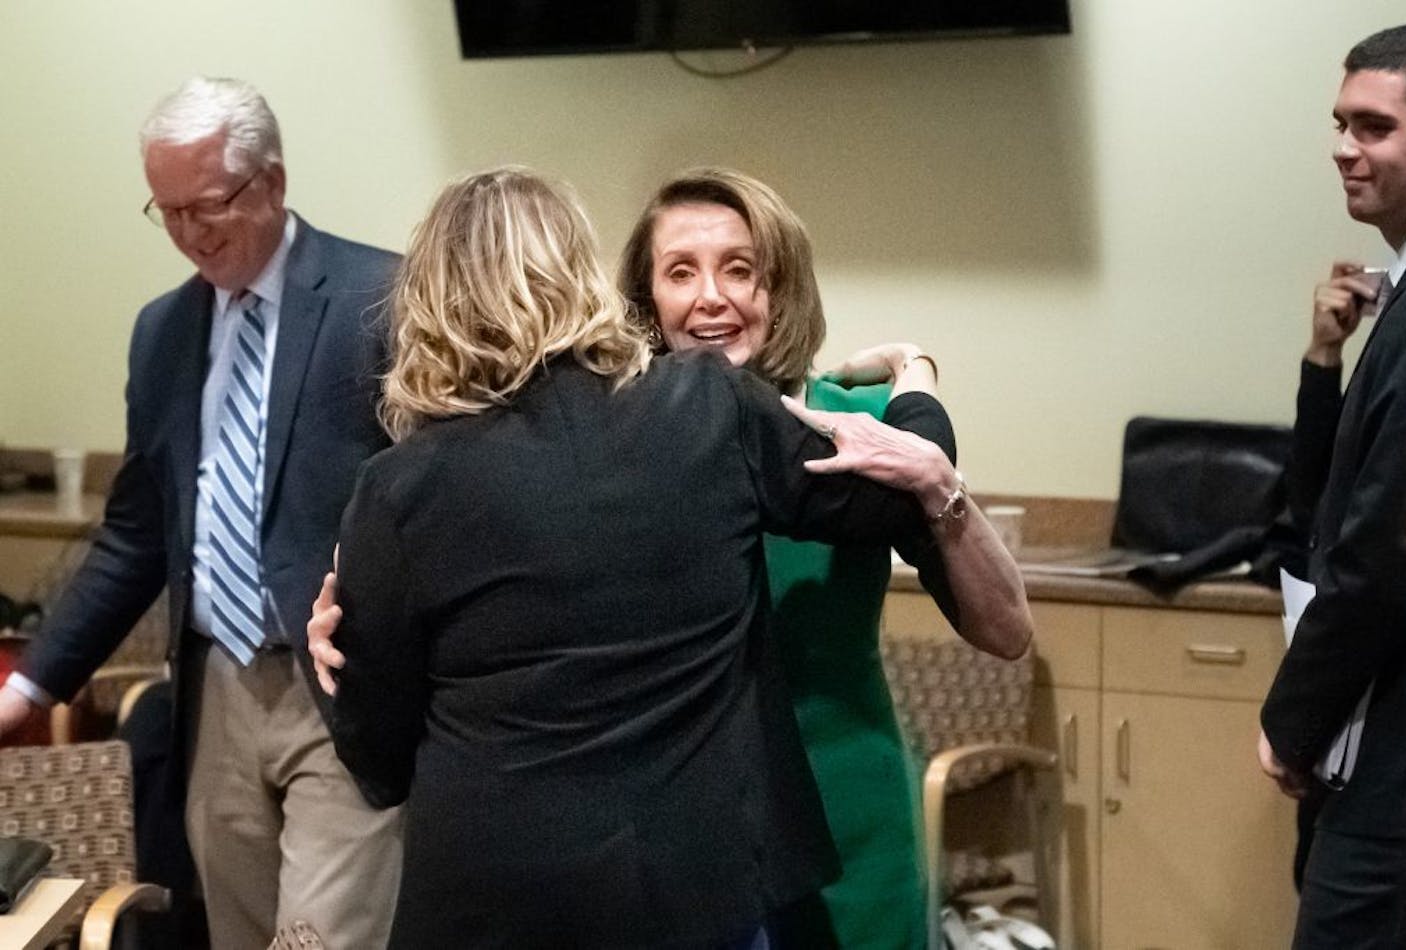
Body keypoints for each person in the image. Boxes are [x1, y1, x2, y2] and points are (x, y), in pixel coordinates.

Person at [322, 167, 971, 948]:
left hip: (495, 906)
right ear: (581, 276)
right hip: (700, 899)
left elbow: (379, 766)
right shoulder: (704, 407)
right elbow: (911, 481)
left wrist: (339, 665)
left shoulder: (396, 491)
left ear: (431, 303)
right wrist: (915, 379)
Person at [0, 77, 403, 948]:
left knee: (323, 937)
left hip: (341, 684)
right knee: (239, 933)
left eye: (210, 205)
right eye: (168, 211)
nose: (189, 234)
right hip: (216, 687)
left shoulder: (383, 301)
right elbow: (139, 534)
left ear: (272, 182)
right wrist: (30, 684)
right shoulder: (162, 333)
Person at [616, 167, 1032, 948]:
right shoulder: (616, 440)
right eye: (681, 272)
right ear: (647, 304)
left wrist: (938, 480)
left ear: (783, 289)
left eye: (740, 269)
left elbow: (1006, 630)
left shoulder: (857, 425)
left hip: (847, 812)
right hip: (680, 834)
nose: (712, 297)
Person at [1257, 23, 1406, 947]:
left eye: (1373, 127)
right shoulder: (1402, 296)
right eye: (1338, 124)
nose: (1342, 149)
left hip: (1399, 757)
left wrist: (1291, 722)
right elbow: (1324, 507)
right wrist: (1326, 362)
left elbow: (1378, 553)